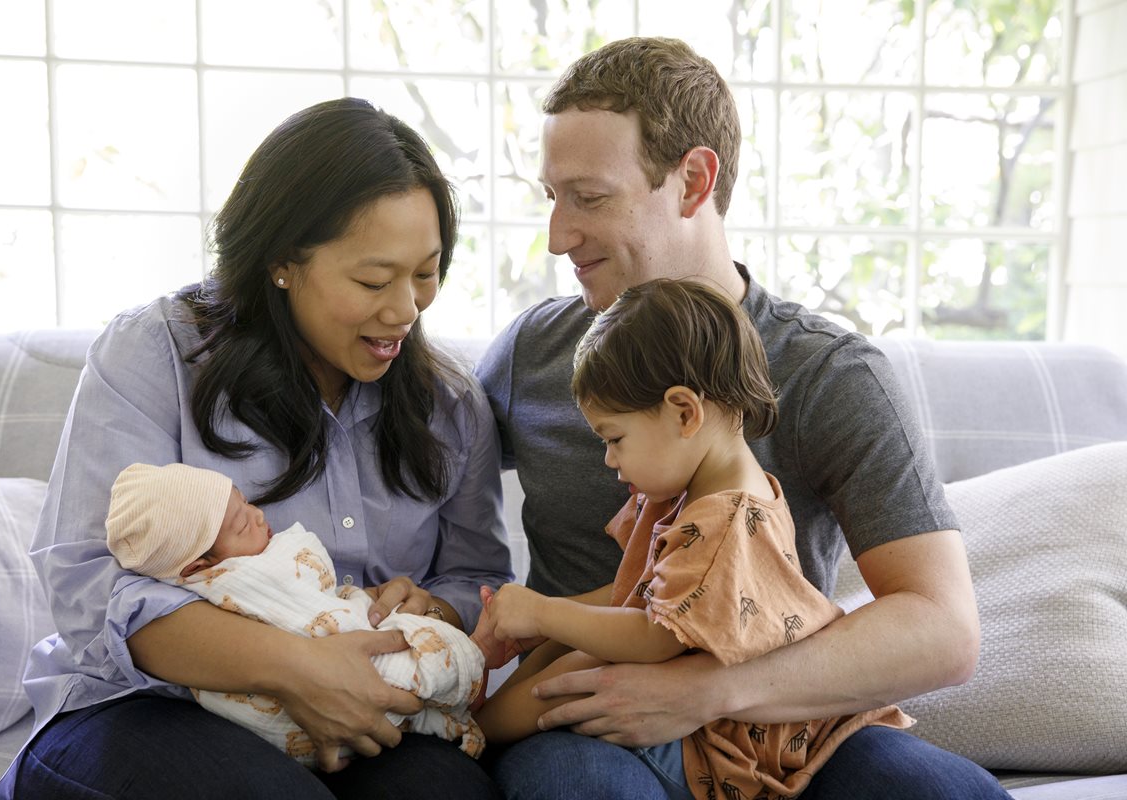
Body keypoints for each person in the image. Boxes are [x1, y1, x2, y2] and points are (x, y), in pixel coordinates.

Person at [475, 37, 1011, 799]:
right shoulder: (536, 351)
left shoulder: (827, 372)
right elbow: (408, 460)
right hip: (591, 725)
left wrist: (708, 692)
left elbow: (942, 630)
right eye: (552, 198)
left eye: (589, 198)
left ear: (693, 180)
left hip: (781, 727)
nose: (559, 236)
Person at [0, 98, 512, 800]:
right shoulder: (158, 354)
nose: (405, 310)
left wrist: (439, 609)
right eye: (373, 279)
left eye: (427, 273)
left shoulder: (450, 407)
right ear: (281, 261)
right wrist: (297, 668)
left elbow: (477, 575)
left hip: (369, 704)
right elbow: (90, 586)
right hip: (148, 706)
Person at [476, 278, 914, 800]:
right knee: (564, 649)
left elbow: (655, 635)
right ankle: (476, 728)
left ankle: (471, 736)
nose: (610, 460)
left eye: (615, 439)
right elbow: (635, 595)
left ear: (685, 412)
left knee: (576, 673)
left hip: (737, 747)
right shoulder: (707, 492)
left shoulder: (724, 518)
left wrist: (546, 614)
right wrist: (541, 615)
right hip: (727, 705)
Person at [105, 461, 490, 765]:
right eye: (241, 524)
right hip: (314, 709)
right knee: (411, 675)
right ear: (196, 567)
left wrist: (366, 599)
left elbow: (322, 600)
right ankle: (460, 681)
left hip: (336, 689)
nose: (257, 516)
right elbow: (317, 626)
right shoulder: (238, 578)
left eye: (246, 502)